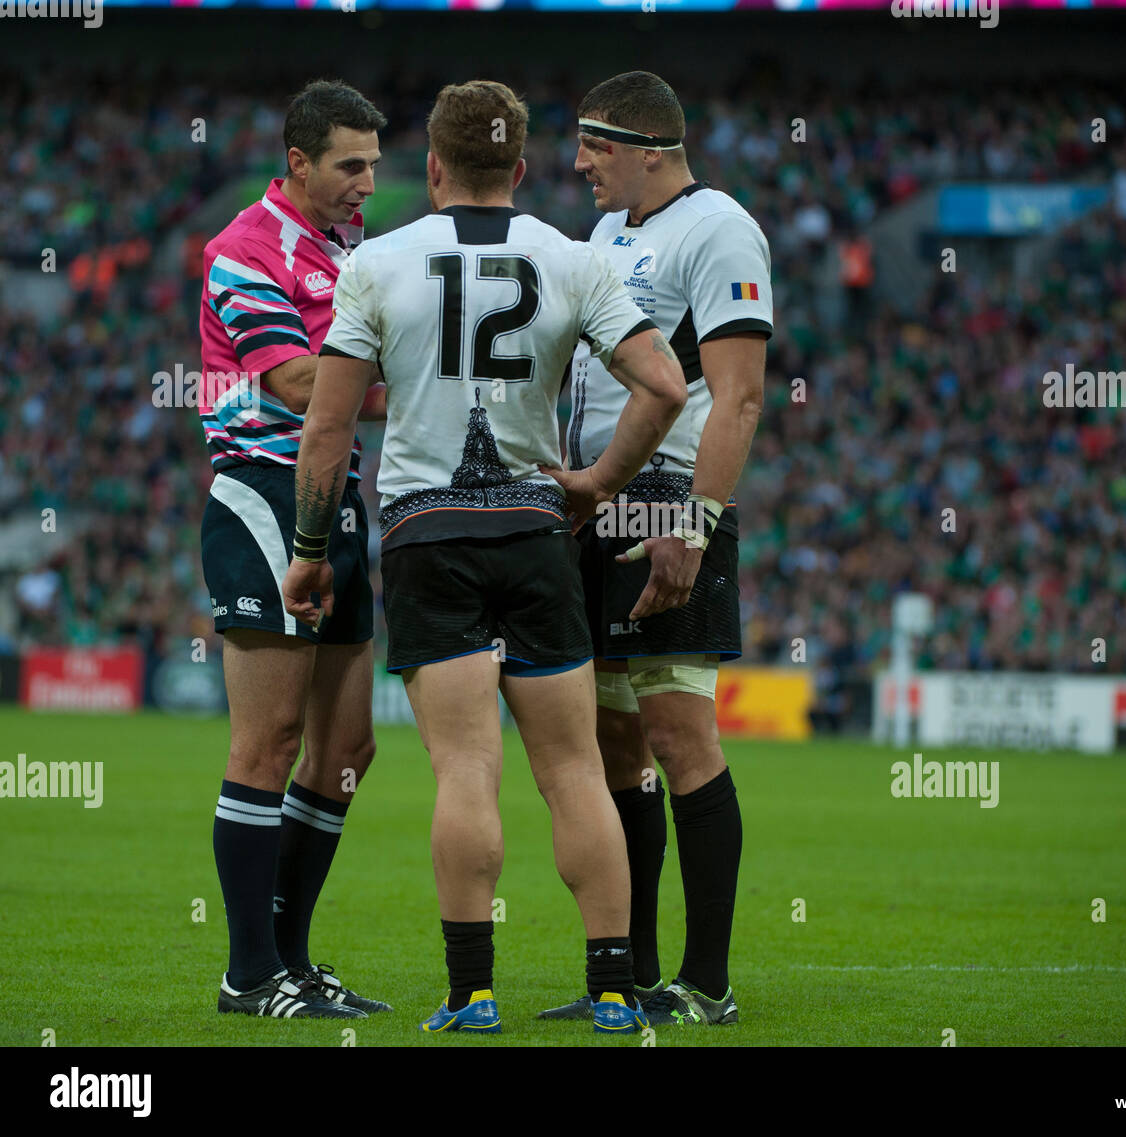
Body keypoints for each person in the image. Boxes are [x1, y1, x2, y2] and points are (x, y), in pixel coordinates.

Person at [282, 80, 688, 1035]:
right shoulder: (571, 256)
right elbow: (665, 385)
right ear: (519, 170)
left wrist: (309, 551)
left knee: (466, 770)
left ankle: (471, 995)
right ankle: (616, 990)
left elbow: (329, 425)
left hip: (430, 534)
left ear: (431, 170)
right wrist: (593, 482)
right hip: (535, 531)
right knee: (577, 769)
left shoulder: (376, 264)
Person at [539, 71, 772, 1027]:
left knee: (681, 736)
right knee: (612, 742)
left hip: (668, 503)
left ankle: (706, 982)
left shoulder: (720, 229)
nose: (580, 164)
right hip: (595, 501)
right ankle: (627, 979)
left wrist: (697, 522)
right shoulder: (605, 236)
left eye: (593, 146)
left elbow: (742, 394)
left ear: (645, 145)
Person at [199, 80, 391, 1019]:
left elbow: (355, 388)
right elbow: (297, 381)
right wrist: (425, 375)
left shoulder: (345, 248)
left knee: (348, 746)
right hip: (265, 496)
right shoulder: (243, 249)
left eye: (375, 166)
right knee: (269, 741)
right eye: (351, 165)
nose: (368, 183)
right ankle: (249, 973)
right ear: (299, 163)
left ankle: (290, 959)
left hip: (338, 495)